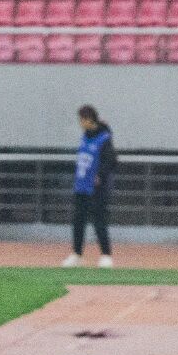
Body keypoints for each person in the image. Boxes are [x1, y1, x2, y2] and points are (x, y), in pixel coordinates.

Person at [62, 105, 118, 269]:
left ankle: (106, 255)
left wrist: (100, 175)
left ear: (89, 119)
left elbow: (112, 161)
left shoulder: (104, 139)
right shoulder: (85, 137)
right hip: (81, 185)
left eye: (82, 120)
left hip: (97, 188)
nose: (80, 123)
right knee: (78, 221)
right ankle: (77, 254)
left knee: (99, 220)